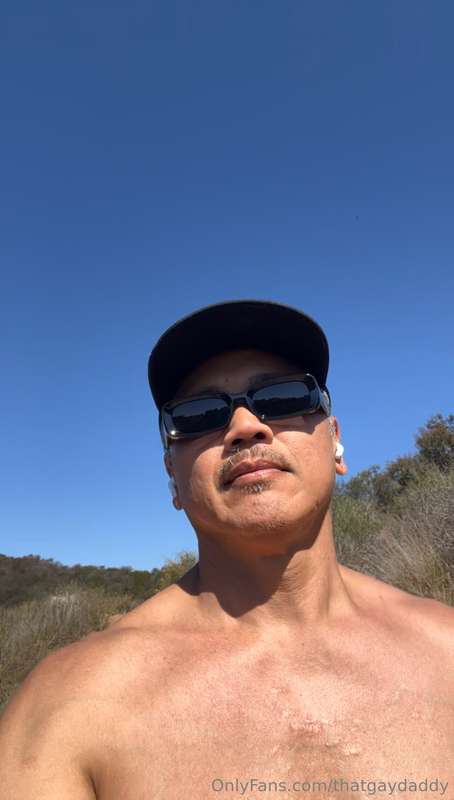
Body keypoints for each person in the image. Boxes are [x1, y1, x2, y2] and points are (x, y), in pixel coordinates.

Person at [0, 299, 452, 800]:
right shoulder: (67, 709)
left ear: (335, 441)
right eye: (199, 415)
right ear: (173, 477)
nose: (245, 426)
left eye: (283, 397)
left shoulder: (446, 648)